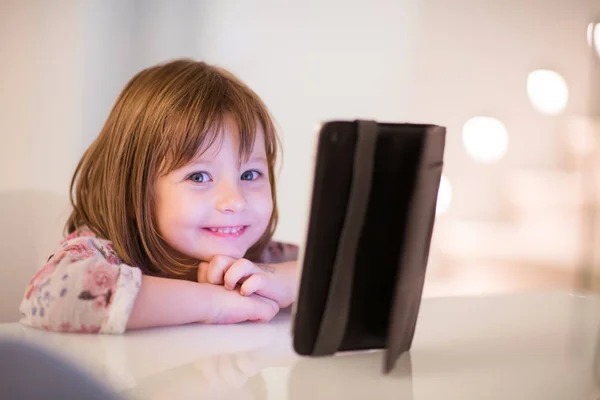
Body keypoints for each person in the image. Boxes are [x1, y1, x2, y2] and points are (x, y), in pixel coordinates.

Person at [18, 59, 299, 334]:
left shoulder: (259, 258)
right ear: (132, 192)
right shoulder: (105, 253)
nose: (235, 201)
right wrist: (214, 304)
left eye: (250, 175)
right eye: (198, 177)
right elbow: (52, 294)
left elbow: (337, 268)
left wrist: (289, 280)